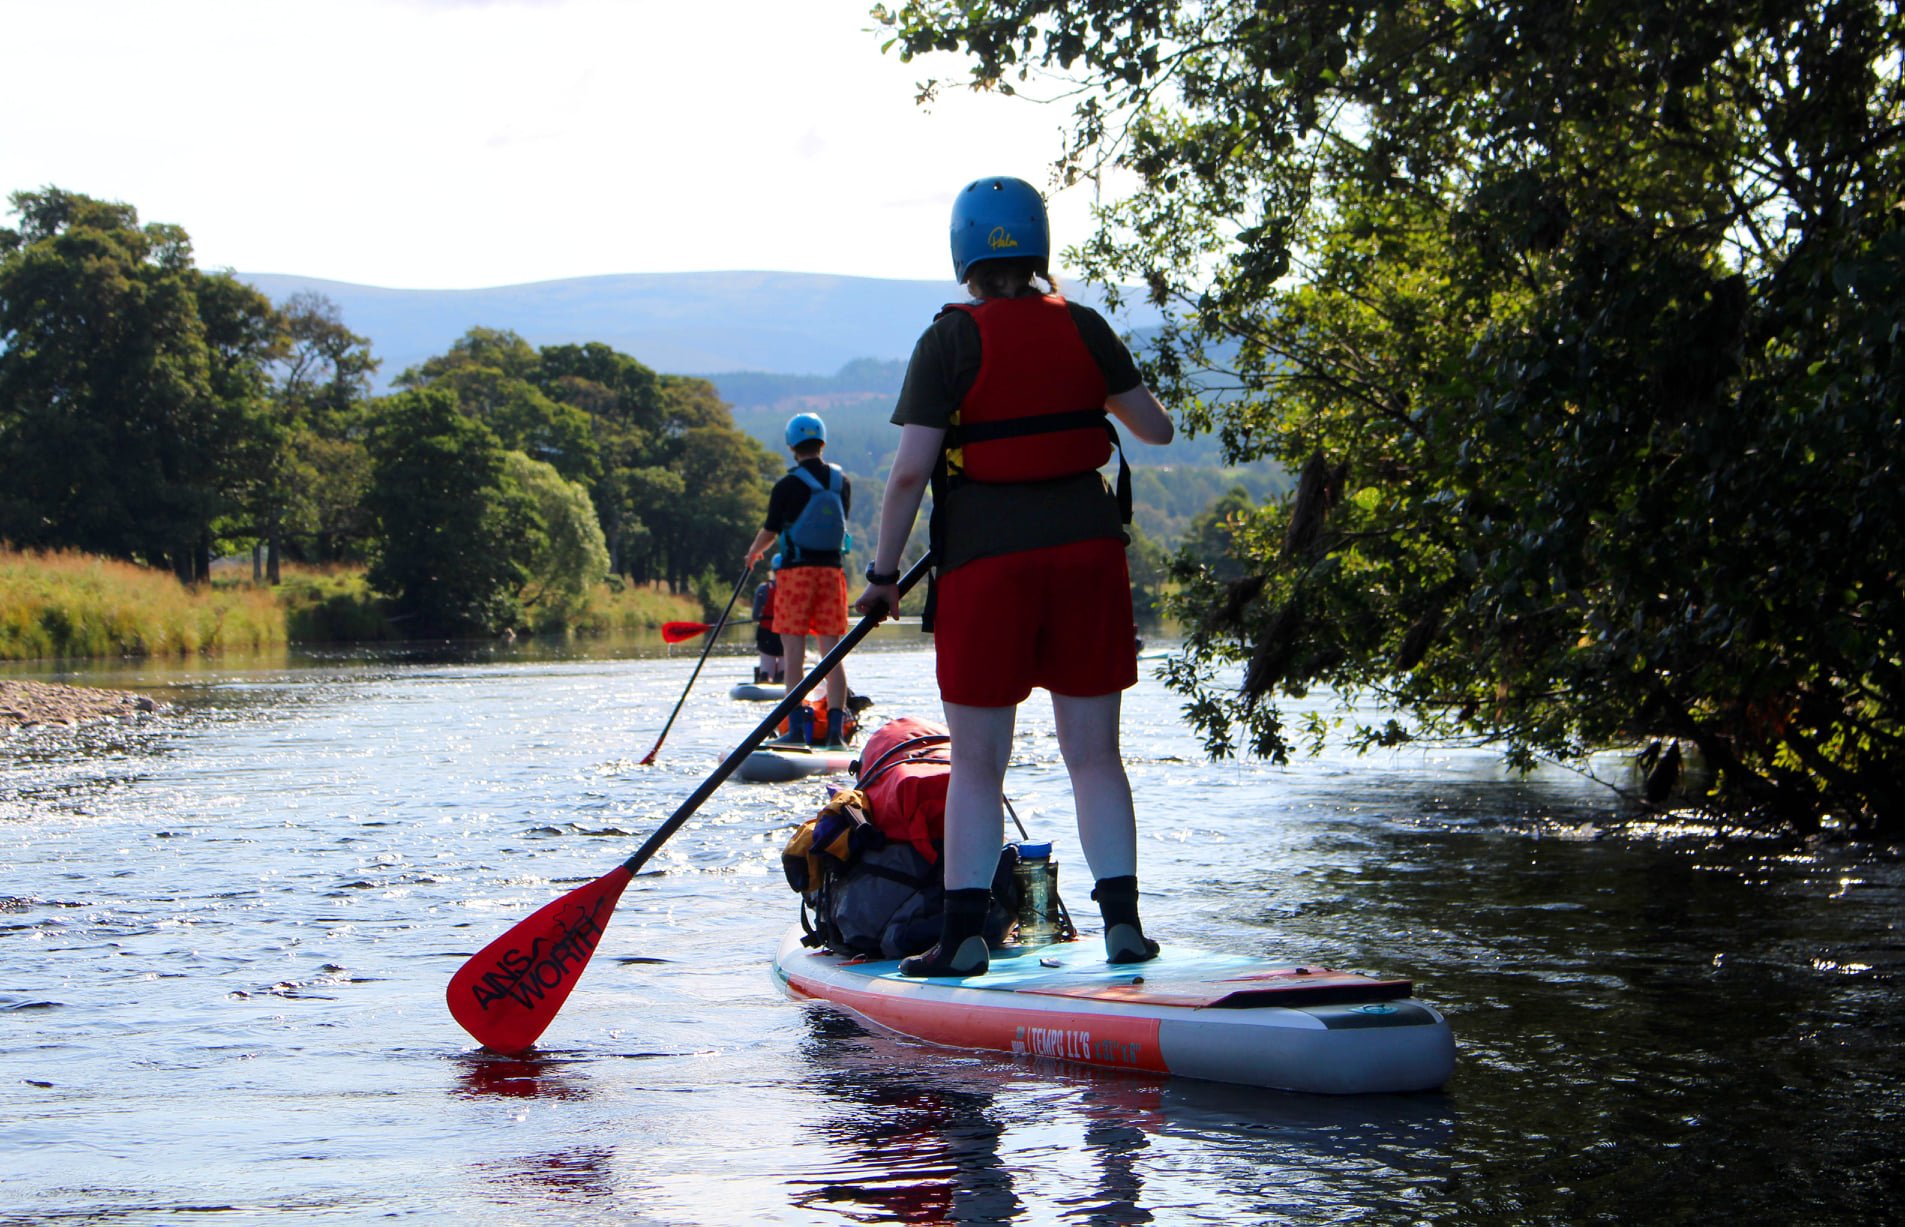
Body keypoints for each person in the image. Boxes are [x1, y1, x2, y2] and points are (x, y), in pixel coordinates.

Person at [854, 174, 1174, 977]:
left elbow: (906, 476)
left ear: (964, 253)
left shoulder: (949, 340)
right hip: (1086, 559)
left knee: (978, 759)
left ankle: (962, 936)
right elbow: (1157, 431)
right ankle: (1123, 924)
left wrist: (882, 574)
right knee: (1095, 754)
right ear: (1038, 246)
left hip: (985, 566)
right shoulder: (1085, 326)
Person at [745, 412, 853, 747]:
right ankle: (836, 732)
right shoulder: (841, 482)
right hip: (832, 574)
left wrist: (753, 553)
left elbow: (771, 530)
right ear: (822, 441)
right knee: (832, 653)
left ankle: (794, 730)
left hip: (795, 575)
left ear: (792, 445)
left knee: (793, 655)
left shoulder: (787, 484)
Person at [751, 559, 785, 685]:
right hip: (785, 633)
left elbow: (755, 615)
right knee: (784, 665)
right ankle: (782, 678)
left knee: (766, 664)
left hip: (766, 633)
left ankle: (764, 678)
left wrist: (758, 618)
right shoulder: (793, 589)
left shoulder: (763, 589)